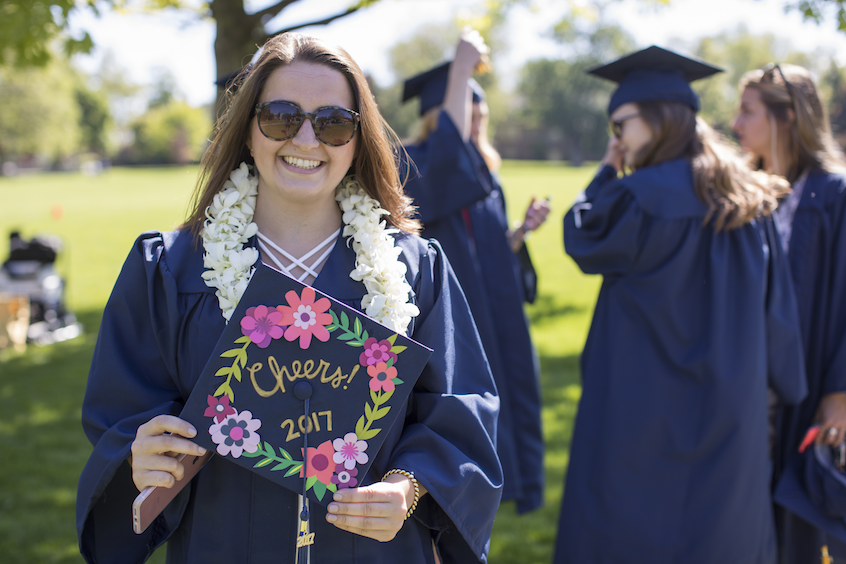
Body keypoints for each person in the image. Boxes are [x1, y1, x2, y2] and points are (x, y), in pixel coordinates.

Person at [76, 32, 502, 564]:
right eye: (280, 116)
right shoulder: (170, 267)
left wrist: (408, 488)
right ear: (248, 129)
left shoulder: (414, 270)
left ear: (358, 138)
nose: (306, 140)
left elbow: (459, 416)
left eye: (333, 122)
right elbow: (122, 414)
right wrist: (140, 454)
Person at [555, 46, 808, 563]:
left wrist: (606, 173)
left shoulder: (634, 199)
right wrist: (792, 388)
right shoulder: (749, 200)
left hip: (634, 419)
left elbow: (581, 235)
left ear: (655, 118)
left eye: (620, 124)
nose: (616, 139)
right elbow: (779, 315)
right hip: (729, 416)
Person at [400, 30, 549, 514]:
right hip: (456, 307)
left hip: (496, 303)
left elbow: (486, 247)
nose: (477, 121)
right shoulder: (415, 166)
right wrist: (460, 69)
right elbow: (444, 175)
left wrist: (519, 235)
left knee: (513, 386)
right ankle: (466, 483)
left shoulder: (487, 174)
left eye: (481, 113)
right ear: (436, 116)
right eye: (469, 110)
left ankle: (515, 479)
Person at [733, 62, 846, 562]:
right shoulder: (744, 192)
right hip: (744, 382)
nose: (735, 123)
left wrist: (840, 393)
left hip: (808, 376)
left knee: (798, 525)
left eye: (747, 110)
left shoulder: (834, 195)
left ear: (785, 117)